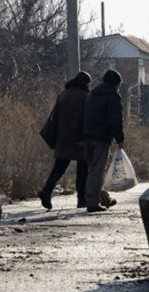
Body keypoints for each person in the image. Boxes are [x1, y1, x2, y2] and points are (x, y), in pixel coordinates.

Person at [38, 72, 92, 210]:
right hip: (79, 136)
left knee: (60, 166)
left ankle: (47, 189)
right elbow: (86, 117)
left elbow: (55, 116)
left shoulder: (64, 94)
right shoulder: (85, 96)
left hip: (63, 135)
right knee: (83, 168)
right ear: (86, 83)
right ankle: (81, 199)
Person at [80, 70, 124, 213]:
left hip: (87, 136)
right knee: (97, 170)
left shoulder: (92, 94)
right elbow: (115, 119)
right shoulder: (112, 96)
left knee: (95, 168)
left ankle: (104, 198)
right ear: (116, 83)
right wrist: (120, 139)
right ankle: (92, 202)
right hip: (101, 137)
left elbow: (82, 114)